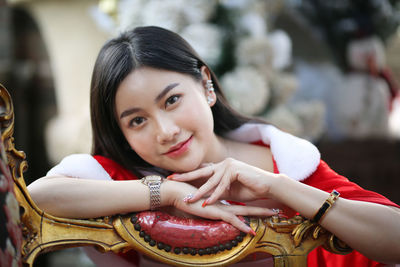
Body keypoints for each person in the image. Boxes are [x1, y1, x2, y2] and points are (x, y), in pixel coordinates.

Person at [27, 26, 400, 267]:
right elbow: (37, 198)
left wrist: (279, 187)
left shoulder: (286, 162)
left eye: (171, 100)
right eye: (137, 120)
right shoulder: (123, 182)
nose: (166, 131)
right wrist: (168, 191)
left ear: (206, 85)